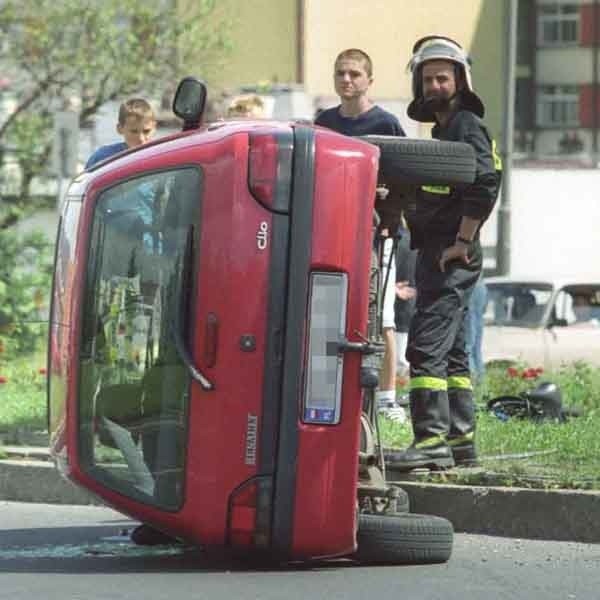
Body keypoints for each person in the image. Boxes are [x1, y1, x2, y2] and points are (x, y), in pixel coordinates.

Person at [388, 36, 502, 470]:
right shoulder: (446, 129)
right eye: (429, 78)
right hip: (441, 251)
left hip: (450, 253)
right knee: (453, 353)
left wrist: (461, 240)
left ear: (460, 80)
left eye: (443, 77)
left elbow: (485, 181)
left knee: (425, 346)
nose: (436, 85)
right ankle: (460, 442)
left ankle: (430, 440)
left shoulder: (465, 124)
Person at [315, 48, 407, 420]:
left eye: (354, 73)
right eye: (341, 73)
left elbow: (406, 179)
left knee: (382, 317)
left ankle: (386, 399)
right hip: (334, 234)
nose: (347, 80)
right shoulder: (323, 121)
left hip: (379, 234)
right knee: (333, 313)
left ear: (369, 79)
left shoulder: (386, 124)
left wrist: (388, 207)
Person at [85, 98, 156, 169]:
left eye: (146, 131)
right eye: (134, 131)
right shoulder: (103, 158)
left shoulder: (160, 156)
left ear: (154, 128)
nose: (141, 138)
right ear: (120, 129)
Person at [394, 216, 417, 380]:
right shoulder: (411, 241)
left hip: (398, 309)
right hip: (407, 309)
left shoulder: (402, 240)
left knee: (400, 363)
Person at [465, 273, 488, 380]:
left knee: (467, 347)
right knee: (476, 349)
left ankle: (471, 383)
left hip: (468, 286)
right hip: (479, 285)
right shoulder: (482, 287)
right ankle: (480, 384)